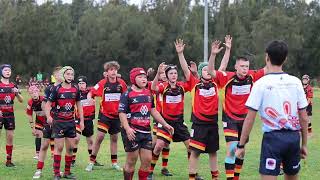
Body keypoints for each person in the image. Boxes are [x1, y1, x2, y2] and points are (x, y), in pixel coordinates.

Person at [235, 40, 308, 180]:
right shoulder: (296, 82)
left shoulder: (260, 84)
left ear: (266, 57)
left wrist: (241, 145)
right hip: (293, 139)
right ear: (285, 59)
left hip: (272, 140)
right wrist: (304, 144)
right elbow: (304, 117)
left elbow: (250, 118)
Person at [207, 37, 266, 180]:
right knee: (232, 148)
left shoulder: (252, 76)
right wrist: (213, 54)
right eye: (242, 66)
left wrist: (269, 55)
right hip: (229, 118)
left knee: (241, 150)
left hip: (245, 120)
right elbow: (211, 72)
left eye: (247, 66)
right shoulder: (228, 77)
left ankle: (236, 177)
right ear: (236, 67)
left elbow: (268, 68)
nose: (245, 69)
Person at [175, 38, 229, 180]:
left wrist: (227, 50)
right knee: (195, 152)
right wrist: (180, 54)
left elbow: (223, 66)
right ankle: (192, 177)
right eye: (204, 69)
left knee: (213, 152)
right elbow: (186, 70)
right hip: (198, 123)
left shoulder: (217, 82)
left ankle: (215, 177)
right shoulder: (194, 83)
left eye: (208, 69)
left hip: (212, 123)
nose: (207, 71)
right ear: (200, 72)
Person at [119, 67, 174, 180]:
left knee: (147, 160)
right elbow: (121, 113)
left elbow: (153, 110)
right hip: (132, 132)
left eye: (145, 77)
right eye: (140, 77)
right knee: (131, 161)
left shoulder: (148, 93)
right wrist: (127, 128)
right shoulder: (127, 94)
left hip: (145, 131)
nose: (144, 79)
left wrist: (165, 124)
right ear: (134, 79)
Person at [148, 63, 191, 179]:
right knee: (158, 146)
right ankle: (150, 172)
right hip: (165, 121)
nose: (173, 75)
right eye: (171, 73)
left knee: (191, 148)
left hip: (179, 122)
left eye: (175, 73)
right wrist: (157, 73)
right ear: (167, 75)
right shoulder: (163, 87)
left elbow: (191, 81)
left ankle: (194, 173)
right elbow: (153, 88)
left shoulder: (181, 86)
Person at [85, 61, 127, 172]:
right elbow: (91, 92)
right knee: (99, 138)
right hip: (105, 115)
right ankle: (91, 162)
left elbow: (127, 96)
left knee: (114, 139)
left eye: (115, 69)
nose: (113, 71)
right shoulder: (102, 83)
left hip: (117, 116)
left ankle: (114, 163)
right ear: (107, 72)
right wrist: (89, 98)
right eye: (111, 70)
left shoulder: (121, 83)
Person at [45, 66, 84, 180]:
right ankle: (56, 173)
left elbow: (79, 106)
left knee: (71, 148)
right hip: (59, 122)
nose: (70, 76)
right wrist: (48, 116)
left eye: (72, 74)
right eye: (68, 74)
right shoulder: (56, 89)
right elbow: (48, 104)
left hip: (71, 122)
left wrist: (81, 120)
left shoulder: (75, 89)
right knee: (60, 147)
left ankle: (67, 172)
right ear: (63, 75)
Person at [32, 66, 62, 179]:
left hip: (62, 122)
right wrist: (48, 116)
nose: (61, 75)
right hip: (49, 121)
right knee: (44, 145)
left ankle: (57, 172)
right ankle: (39, 170)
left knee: (59, 147)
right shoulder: (49, 88)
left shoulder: (67, 87)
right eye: (59, 73)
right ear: (54, 76)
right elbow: (44, 104)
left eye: (63, 73)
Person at [0, 64, 23, 167]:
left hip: (10, 114)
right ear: (1, 72)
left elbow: (21, 100)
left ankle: (9, 161)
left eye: (9, 70)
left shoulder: (13, 85)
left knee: (10, 137)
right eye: (5, 70)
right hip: (0, 113)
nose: (8, 72)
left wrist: (17, 93)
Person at [72, 76, 95, 167]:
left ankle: (92, 160)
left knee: (90, 142)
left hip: (89, 119)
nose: (81, 85)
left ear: (86, 84)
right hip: (78, 119)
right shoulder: (75, 94)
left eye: (83, 83)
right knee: (76, 139)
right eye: (79, 83)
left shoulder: (91, 92)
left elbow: (101, 88)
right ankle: (72, 160)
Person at [26, 85, 46, 160]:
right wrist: (32, 127)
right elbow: (29, 114)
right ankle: (37, 154)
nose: (34, 94)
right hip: (39, 120)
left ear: (38, 92)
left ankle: (53, 153)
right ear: (30, 94)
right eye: (31, 93)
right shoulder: (30, 103)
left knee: (51, 136)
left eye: (35, 92)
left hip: (47, 120)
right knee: (38, 135)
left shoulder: (44, 99)